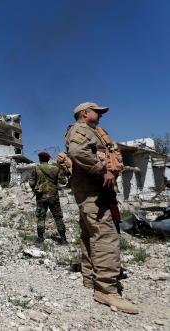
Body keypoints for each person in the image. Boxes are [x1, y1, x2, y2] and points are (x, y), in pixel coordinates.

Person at [65, 102, 138, 314]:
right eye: (97, 111)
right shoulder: (79, 130)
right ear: (85, 113)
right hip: (92, 193)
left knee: (90, 235)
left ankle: (90, 278)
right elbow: (77, 152)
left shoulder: (93, 132)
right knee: (106, 236)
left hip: (95, 193)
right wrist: (102, 170)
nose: (101, 115)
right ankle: (106, 289)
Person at [29, 151, 67, 244]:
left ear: (39, 159)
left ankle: (40, 238)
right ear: (49, 159)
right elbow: (63, 181)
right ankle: (63, 239)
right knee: (58, 217)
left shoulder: (36, 169)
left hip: (41, 197)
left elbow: (32, 183)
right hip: (54, 197)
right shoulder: (56, 168)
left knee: (41, 217)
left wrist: (35, 187)